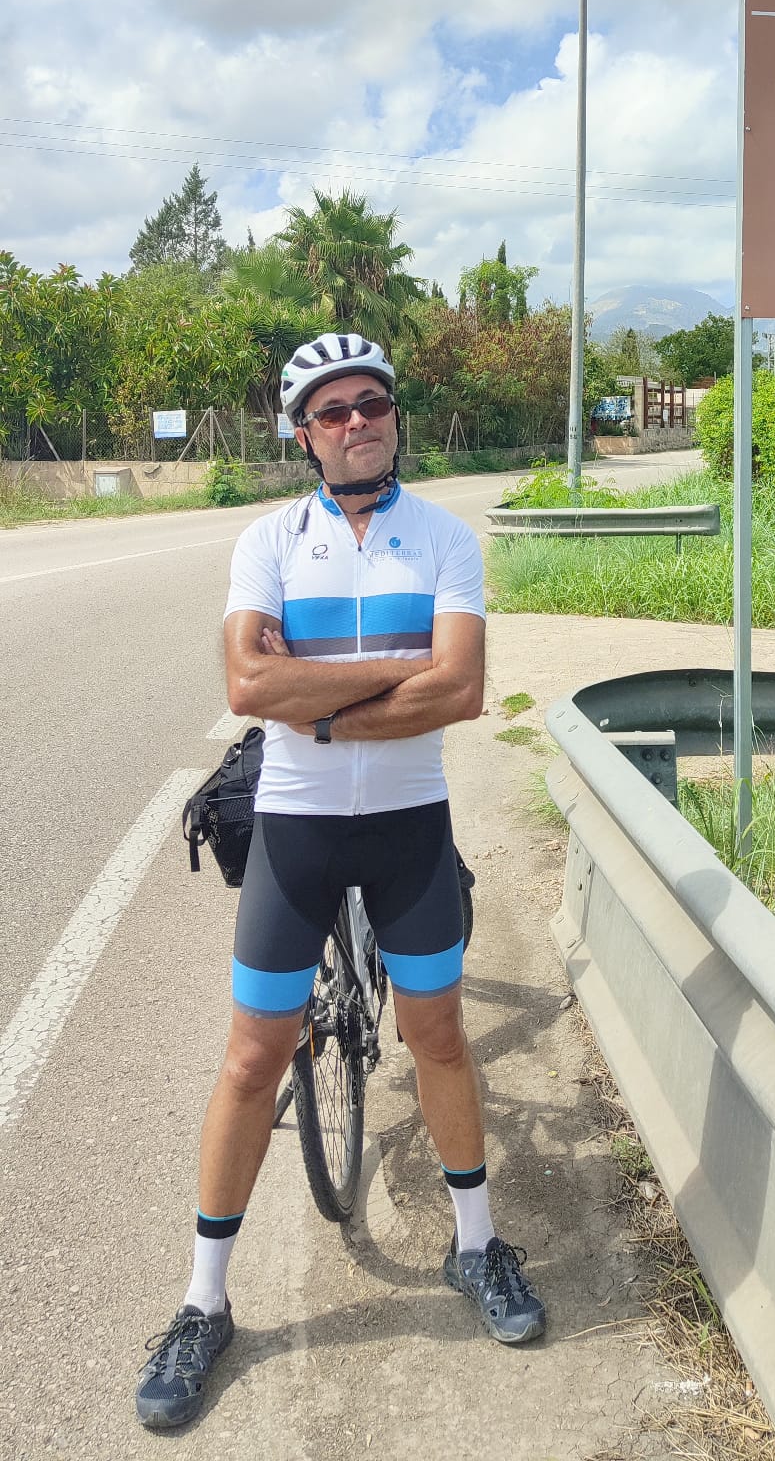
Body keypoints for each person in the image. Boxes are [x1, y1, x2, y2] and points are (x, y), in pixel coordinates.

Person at [136, 332, 545, 1431]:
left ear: (394, 416)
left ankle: (476, 1246)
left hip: (409, 823)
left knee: (442, 1035)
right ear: (303, 432)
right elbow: (245, 677)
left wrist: (308, 697)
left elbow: (462, 690)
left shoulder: (446, 538)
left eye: (373, 403)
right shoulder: (270, 538)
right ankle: (202, 1303)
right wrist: (384, 673)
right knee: (249, 1054)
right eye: (332, 411)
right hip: (299, 825)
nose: (357, 420)